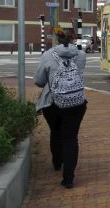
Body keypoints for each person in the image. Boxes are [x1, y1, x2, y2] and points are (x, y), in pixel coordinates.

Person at [34, 29, 87, 189]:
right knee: (71, 138)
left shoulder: (48, 55)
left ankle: (57, 162)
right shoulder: (81, 55)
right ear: (73, 39)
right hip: (76, 102)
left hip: (53, 103)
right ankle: (68, 178)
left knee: (56, 132)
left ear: (56, 39)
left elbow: (39, 81)